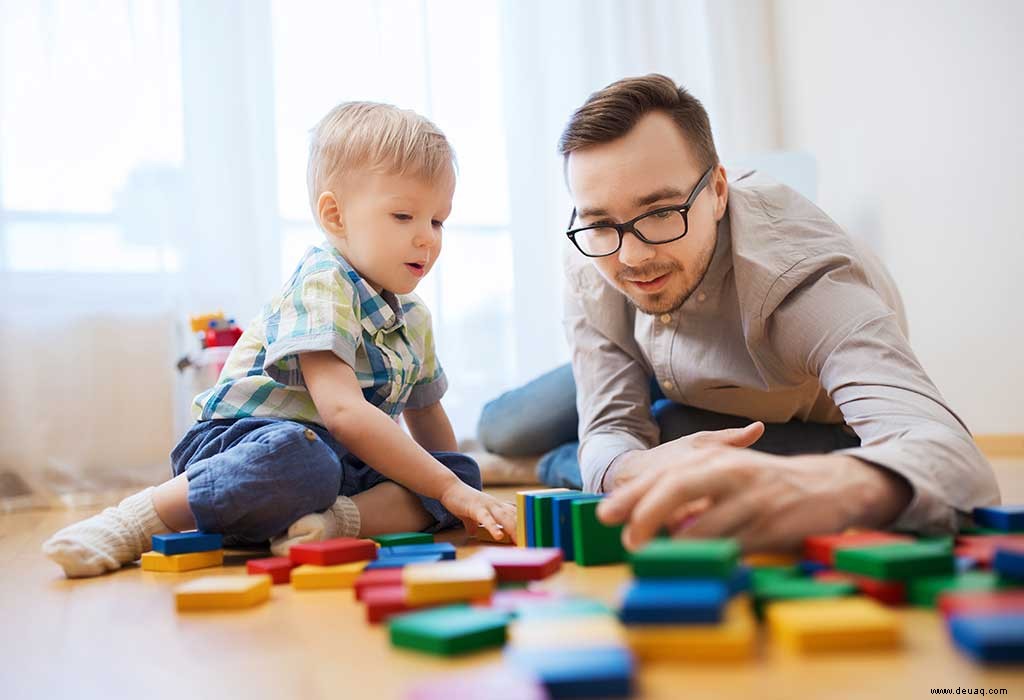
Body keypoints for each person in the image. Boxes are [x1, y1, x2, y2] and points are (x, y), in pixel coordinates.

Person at [478, 74, 999, 552]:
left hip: (790, 416)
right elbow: (613, 423)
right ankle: (564, 457)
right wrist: (629, 464)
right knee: (503, 428)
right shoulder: (593, 251)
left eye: (661, 213)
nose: (632, 257)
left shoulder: (805, 279)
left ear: (719, 191)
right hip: (653, 363)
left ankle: (555, 463)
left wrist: (840, 486)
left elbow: (957, 462)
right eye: (600, 222)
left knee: (674, 431)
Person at [44, 101, 516, 578]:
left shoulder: (413, 317)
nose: (427, 239)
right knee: (305, 457)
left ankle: (330, 525)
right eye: (403, 217)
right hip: (245, 449)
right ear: (335, 216)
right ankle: (136, 518)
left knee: (457, 470)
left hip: (338, 469)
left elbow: (427, 416)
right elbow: (343, 413)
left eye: (437, 221)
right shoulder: (323, 282)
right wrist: (446, 490)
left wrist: (459, 491)